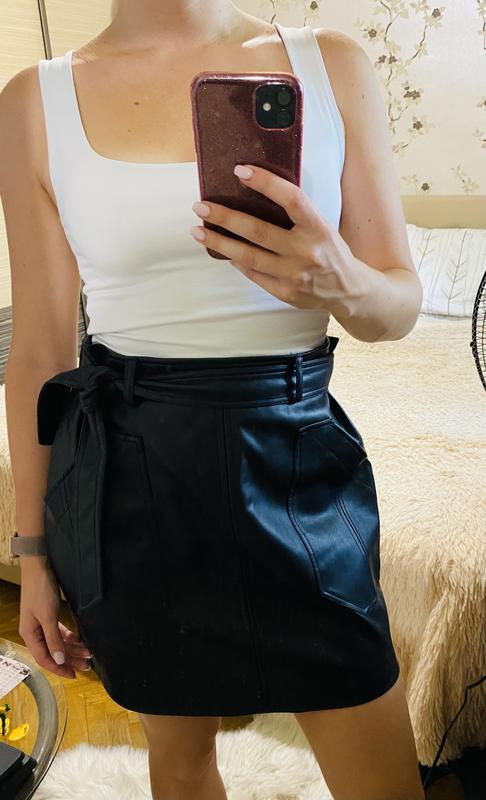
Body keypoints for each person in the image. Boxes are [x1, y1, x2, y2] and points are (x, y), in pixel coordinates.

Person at [0, 1, 425, 798]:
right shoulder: (34, 101)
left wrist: (343, 281)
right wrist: (34, 555)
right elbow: (39, 355)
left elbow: (398, 306)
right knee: (181, 762)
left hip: (300, 463)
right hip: (132, 480)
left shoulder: (329, 64)